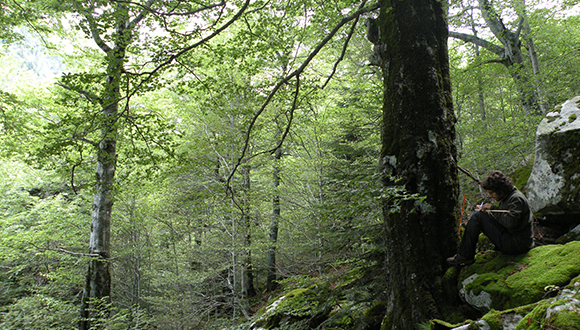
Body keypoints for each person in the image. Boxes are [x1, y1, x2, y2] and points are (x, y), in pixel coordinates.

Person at [447, 170, 534, 266]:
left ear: (500, 190)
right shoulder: (507, 196)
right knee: (480, 216)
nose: (490, 196)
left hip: (517, 245)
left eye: (492, 193)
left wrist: (492, 209)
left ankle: (464, 256)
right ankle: (464, 254)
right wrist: (489, 212)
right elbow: (503, 218)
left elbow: (510, 223)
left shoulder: (516, 198)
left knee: (477, 217)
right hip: (516, 240)